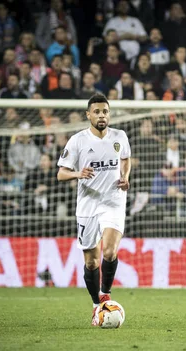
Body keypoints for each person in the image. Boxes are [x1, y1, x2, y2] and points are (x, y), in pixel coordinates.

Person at [56, 94, 131, 326]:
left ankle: (105, 295)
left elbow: (126, 159)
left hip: (114, 201)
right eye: (97, 112)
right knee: (91, 262)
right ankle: (95, 304)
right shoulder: (78, 141)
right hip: (88, 205)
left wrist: (125, 177)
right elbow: (61, 173)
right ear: (88, 115)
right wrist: (78, 174)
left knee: (109, 251)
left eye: (105, 111)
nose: (101, 115)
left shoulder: (120, 137)